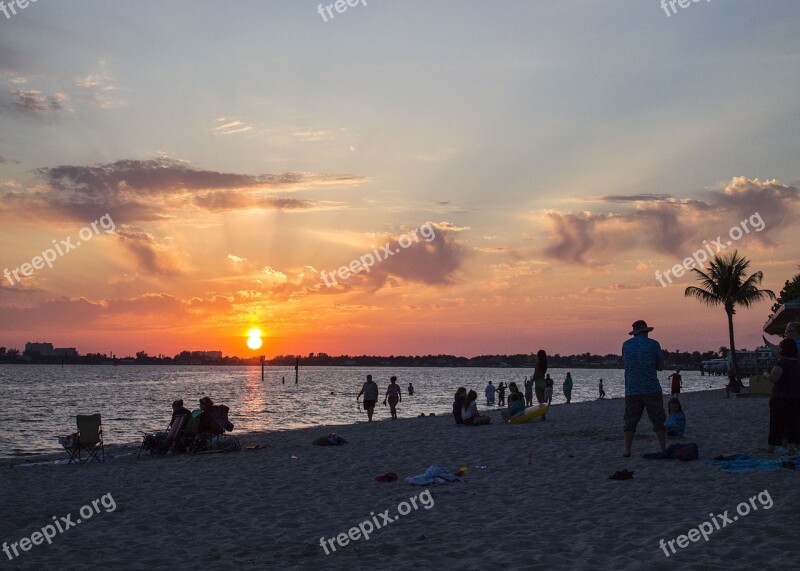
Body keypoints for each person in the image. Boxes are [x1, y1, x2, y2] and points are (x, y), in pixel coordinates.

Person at [622, 319, 667, 458]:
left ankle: (627, 451)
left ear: (634, 333)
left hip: (632, 389)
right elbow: (660, 366)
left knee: (630, 422)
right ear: (646, 332)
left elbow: (627, 363)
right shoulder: (654, 344)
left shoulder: (626, 345)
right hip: (651, 388)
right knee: (658, 420)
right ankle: (663, 448)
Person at [766, 338, 800, 454]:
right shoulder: (797, 363)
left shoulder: (782, 363)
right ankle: (791, 448)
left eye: (780, 347)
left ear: (783, 349)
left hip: (780, 399)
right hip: (796, 398)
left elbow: (773, 378)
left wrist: (766, 374)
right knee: (793, 424)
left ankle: (771, 449)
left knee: (776, 424)